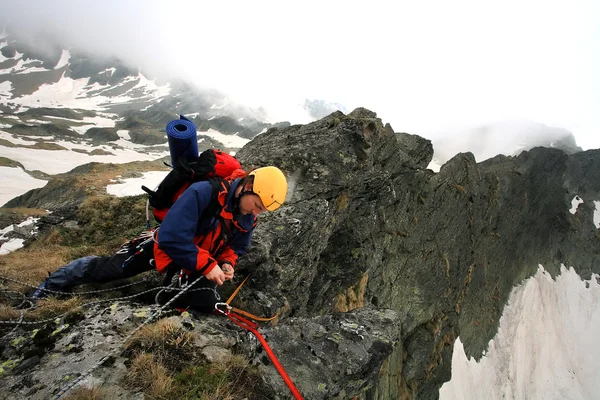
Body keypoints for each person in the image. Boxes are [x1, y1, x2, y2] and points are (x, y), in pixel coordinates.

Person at [32, 166, 288, 311]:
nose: (254, 213)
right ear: (246, 185)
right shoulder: (204, 192)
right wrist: (208, 264)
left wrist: (227, 263)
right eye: (255, 204)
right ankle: (51, 285)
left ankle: (164, 299)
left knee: (204, 302)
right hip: (163, 247)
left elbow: (236, 247)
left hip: (198, 262)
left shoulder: (247, 215)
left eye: (260, 210)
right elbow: (171, 237)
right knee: (108, 270)